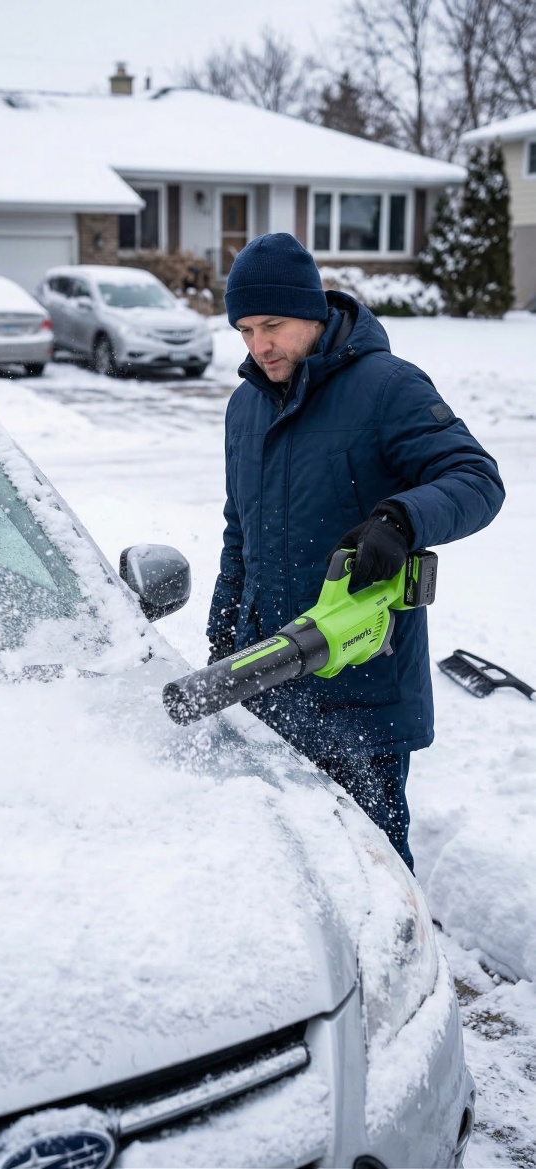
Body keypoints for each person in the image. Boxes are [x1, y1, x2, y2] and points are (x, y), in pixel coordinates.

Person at [207, 233, 505, 871]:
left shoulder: (387, 387)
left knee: (374, 871)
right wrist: (223, 632)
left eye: (273, 326)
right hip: (268, 679)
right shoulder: (244, 406)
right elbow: (240, 530)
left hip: (361, 684)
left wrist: (401, 519)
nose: (259, 346)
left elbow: (477, 480)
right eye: (245, 331)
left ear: (312, 314)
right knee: (285, 869)